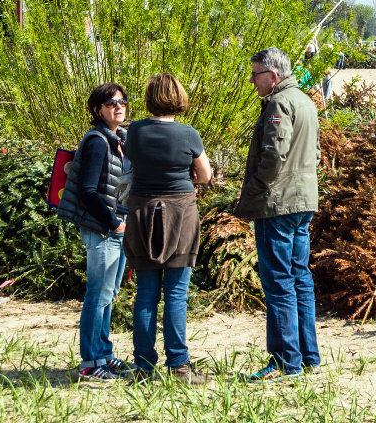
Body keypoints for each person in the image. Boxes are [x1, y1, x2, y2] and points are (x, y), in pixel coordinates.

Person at [234, 47, 321, 381]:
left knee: (279, 282)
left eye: (255, 74)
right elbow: (313, 152)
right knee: (299, 279)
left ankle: (286, 360)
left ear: (272, 76)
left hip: (278, 204)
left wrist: (254, 188)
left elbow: (273, 156)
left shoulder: (278, 103)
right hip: (302, 202)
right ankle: (307, 356)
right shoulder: (305, 100)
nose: (252, 80)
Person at [124, 73, 213, 384]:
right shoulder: (189, 134)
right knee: (176, 293)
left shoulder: (134, 131)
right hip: (179, 212)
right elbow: (204, 176)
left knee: (146, 293)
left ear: (150, 98)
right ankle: (179, 366)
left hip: (141, 213)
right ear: (179, 98)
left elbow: (132, 162)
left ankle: (143, 368)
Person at [60, 82, 133, 382]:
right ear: (97, 110)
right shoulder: (96, 142)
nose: (118, 106)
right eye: (110, 103)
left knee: (109, 294)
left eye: (122, 102)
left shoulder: (121, 139)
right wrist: (114, 222)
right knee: (97, 295)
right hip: (101, 230)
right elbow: (89, 192)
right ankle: (89, 362)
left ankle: (104, 353)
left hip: (116, 228)